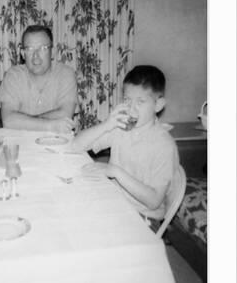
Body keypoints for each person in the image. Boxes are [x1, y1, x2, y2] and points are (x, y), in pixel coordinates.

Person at [72, 65, 181, 224]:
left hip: (144, 219)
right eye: (127, 100)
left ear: (158, 105)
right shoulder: (122, 127)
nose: (131, 108)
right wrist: (107, 124)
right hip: (114, 203)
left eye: (140, 101)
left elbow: (154, 201)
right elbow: (76, 146)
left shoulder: (164, 145)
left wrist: (115, 171)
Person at [0, 25, 77, 133]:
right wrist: (50, 125)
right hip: (21, 145)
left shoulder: (66, 74)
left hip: (58, 144)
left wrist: (24, 122)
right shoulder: (13, 75)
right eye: (29, 49)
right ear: (23, 53)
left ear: (52, 52)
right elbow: (9, 121)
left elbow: (65, 115)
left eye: (43, 48)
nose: (36, 56)